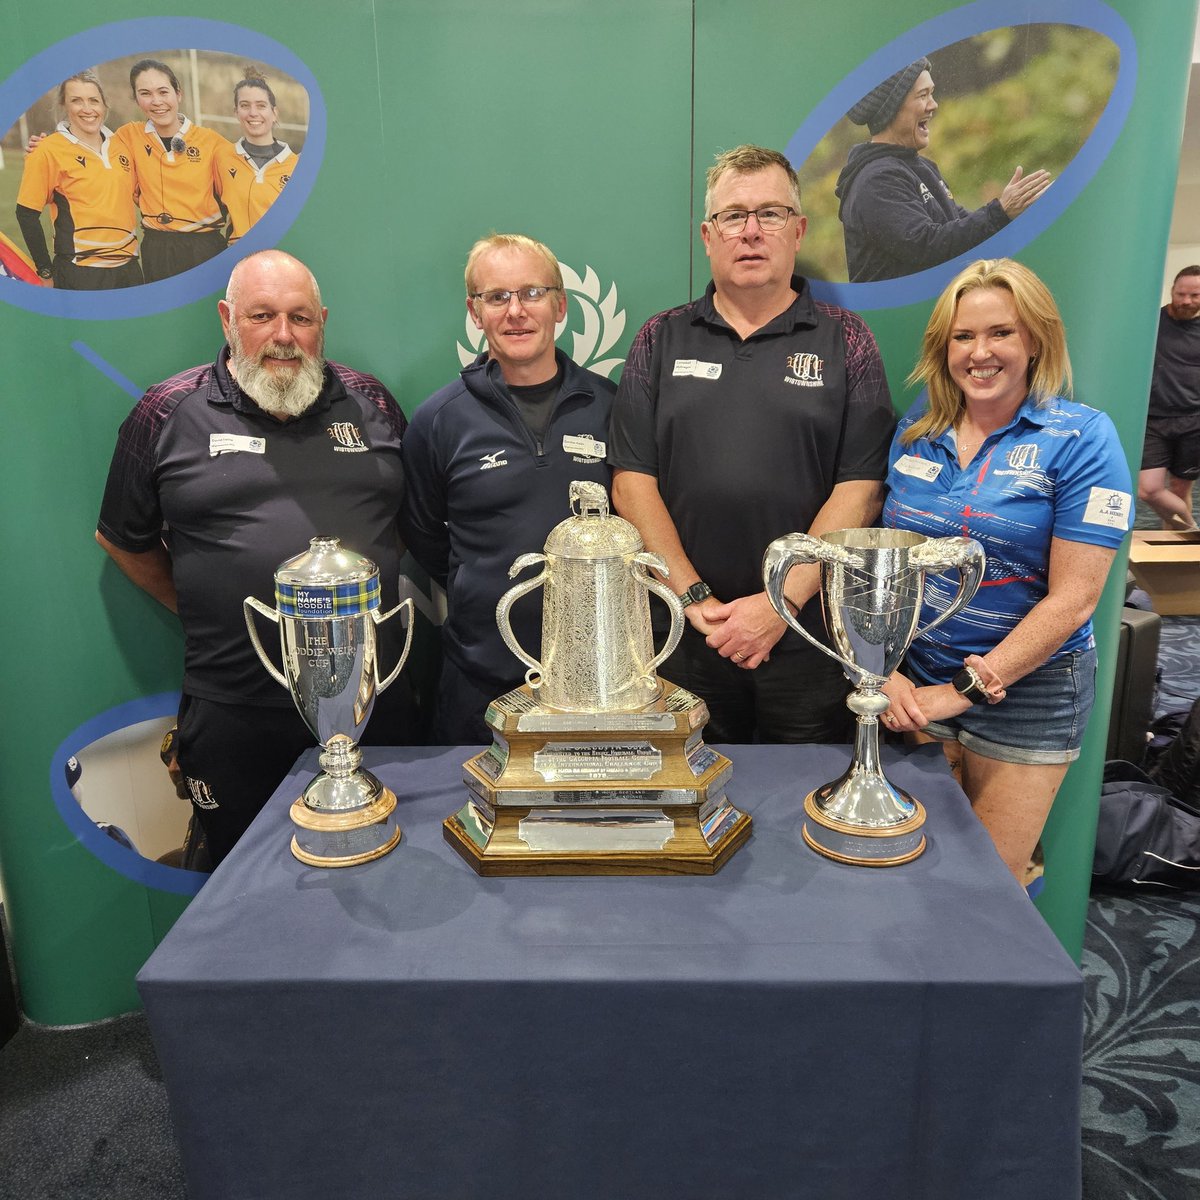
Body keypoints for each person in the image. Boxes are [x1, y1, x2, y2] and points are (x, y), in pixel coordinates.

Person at [95, 250, 412, 867]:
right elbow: (123, 539)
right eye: (262, 316)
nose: (283, 336)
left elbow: (401, 525)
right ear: (227, 320)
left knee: (390, 870)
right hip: (236, 706)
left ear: (322, 321)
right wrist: (219, 611)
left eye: (300, 318)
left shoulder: (370, 400)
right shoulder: (165, 411)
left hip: (373, 703)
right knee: (245, 883)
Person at [609, 144, 896, 743]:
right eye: (733, 217)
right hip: (685, 633)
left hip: (811, 637)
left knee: (803, 812)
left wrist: (778, 606)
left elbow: (861, 489)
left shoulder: (847, 340)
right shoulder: (659, 338)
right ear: (707, 236)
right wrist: (692, 597)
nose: (751, 232)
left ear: (798, 230)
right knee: (692, 816)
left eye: (769, 214)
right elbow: (632, 482)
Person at [880, 258, 1133, 881]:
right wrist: (884, 672)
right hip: (919, 682)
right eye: (963, 336)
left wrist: (966, 689)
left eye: (1002, 333)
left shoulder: (1082, 438)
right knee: (924, 866)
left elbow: (1076, 599)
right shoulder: (917, 429)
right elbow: (883, 562)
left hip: (1028, 691)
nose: (980, 352)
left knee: (988, 883)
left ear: (1035, 341)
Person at [399, 234, 615, 744]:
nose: (516, 311)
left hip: (598, 682)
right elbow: (424, 532)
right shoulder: (438, 420)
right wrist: (481, 588)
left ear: (560, 305)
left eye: (532, 293)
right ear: (475, 313)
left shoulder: (613, 407)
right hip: (480, 682)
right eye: (497, 297)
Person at [835, 58, 1051, 283]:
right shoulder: (876, 179)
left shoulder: (921, 167)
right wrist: (1000, 212)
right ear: (893, 108)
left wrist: (1021, 212)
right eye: (923, 95)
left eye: (932, 93)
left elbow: (961, 226)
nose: (934, 104)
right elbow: (927, 246)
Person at [15, 70, 141, 289]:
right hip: (80, 273)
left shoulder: (122, 145)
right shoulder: (47, 150)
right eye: (76, 101)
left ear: (104, 105)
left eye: (94, 100)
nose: (87, 109)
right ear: (64, 105)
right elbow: (26, 214)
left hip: (129, 270)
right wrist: (45, 270)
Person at [111, 59, 229, 282]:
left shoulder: (212, 142)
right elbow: (90, 148)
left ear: (178, 94)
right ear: (136, 100)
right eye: (145, 93)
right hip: (157, 248)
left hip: (204, 248)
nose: (156, 101)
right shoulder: (127, 136)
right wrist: (42, 145)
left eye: (163, 92)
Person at [1137, 265, 1200, 530]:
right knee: (1149, 490)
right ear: (1172, 290)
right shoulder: (1151, 321)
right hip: (1153, 419)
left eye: (1195, 296)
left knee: (1179, 491)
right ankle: (1191, 531)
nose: (1186, 301)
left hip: (1193, 420)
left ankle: (1174, 551)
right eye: (1181, 293)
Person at [216, 72, 299, 244]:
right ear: (236, 112)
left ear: (274, 112)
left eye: (261, 105)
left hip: (280, 257)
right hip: (237, 260)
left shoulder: (297, 165)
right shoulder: (221, 158)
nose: (253, 113)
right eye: (245, 105)